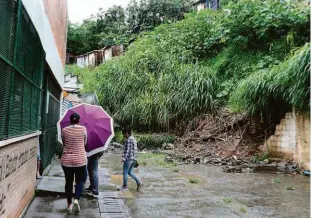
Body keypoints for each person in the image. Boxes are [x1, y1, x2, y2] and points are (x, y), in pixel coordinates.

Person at [61, 113, 87, 214]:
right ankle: (76, 199)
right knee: (80, 181)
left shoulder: (64, 130)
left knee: (68, 182)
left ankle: (69, 205)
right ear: (78, 120)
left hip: (66, 160)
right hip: (80, 160)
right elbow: (84, 142)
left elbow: (63, 143)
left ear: (70, 120)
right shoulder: (83, 129)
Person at [120, 127, 143, 192]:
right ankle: (139, 183)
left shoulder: (129, 139)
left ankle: (124, 186)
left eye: (124, 134)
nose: (123, 136)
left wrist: (124, 158)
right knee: (129, 172)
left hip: (129, 159)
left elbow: (128, 150)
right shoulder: (133, 139)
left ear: (127, 133)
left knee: (125, 172)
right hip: (133, 159)